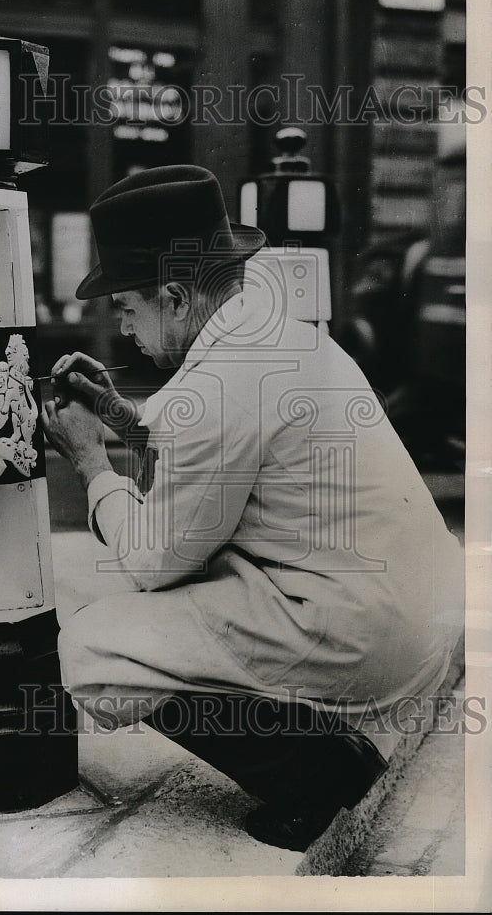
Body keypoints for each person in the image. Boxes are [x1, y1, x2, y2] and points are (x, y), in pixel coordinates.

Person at [41, 165, 463, 851]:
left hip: (362, 639)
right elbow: (219, 445)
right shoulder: (279, 334)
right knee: (205, 576)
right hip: (418, 621)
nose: (120, 325)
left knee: (90, 651)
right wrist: (120, 416)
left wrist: (91, 463)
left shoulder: (214, 385)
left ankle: (318, 775)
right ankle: (324, 729)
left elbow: (151, 564)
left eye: (128, 305)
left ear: (175, 298)